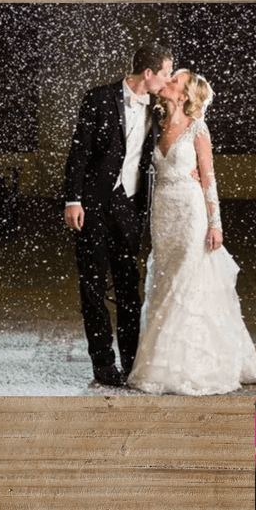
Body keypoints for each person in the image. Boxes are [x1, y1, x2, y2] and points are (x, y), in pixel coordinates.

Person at [127, 70, 256, 394]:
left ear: (184, 95)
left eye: (175, 81)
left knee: (186, 280)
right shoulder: (157, 121)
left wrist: (215, 224)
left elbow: (209, 180)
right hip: (163, 214)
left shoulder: (197, 128)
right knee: (166, 280)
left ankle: (190, 364)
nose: (167, 83)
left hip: (191, 213)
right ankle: (161, 361)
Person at [64, 44, 173, 386]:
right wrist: (73, 199)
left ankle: (131, 361)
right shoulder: (98, 98)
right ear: (149, 73)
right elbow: (79, 151)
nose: (168, 79)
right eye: (166, 72)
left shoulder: (158, 107)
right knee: (92, 287)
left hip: (130, 206)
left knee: (129, 289)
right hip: (93, 206)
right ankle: (103, 363)